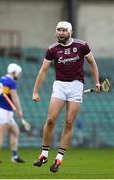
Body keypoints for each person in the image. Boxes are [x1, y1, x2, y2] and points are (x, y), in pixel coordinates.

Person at [32, 21, 101, 173]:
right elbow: (43, 71)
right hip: (60, 85)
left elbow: (92, 63)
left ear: (70, 32)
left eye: (64, 30)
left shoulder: (82, 46)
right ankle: (44, 154)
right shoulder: (52, 49)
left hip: (77, 86)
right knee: (50, 120)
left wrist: (97, 82)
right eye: (58, 30)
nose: (61, 32)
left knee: (69, 123)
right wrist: (35, 91)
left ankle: (58, 159)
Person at [0, 63, 25, 164]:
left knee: (15, 132)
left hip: (4, 110)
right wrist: (19, 110)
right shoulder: (11, 82)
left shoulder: (0, 80)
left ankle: (15, 156)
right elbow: (15, 98)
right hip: (6, 112)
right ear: (13, 72)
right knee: (1, 135)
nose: (19, 75)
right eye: (18, 73)